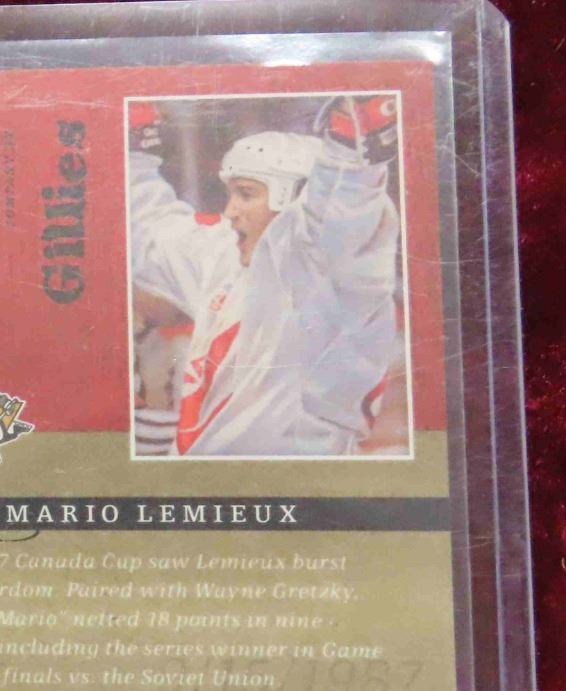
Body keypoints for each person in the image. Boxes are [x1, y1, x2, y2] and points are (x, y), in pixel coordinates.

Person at [127, 97, 403, 456]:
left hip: (296, 481)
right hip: (207, 480)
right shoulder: (225, 255)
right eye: (231, 193)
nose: (230, 211)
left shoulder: (328, 283)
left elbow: (343, 210)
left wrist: (349, 149)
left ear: (296, 200)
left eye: (246, 194)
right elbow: (148, 229)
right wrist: (135, 151)